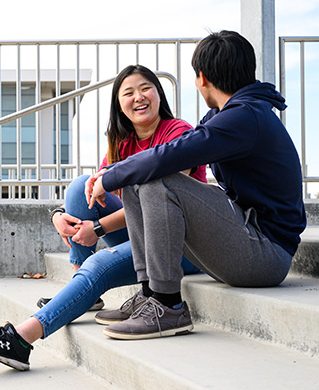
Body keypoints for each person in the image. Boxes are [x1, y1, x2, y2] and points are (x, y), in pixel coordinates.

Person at [0, 64, 206, 371]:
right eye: (128, 92)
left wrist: (99, 228)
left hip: (180, 246)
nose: (138, 97)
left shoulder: (179, 133)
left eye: (145, 88)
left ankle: (22, 340)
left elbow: (162, 204)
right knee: (81, 184)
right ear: (119, 104)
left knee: (100, 263)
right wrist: (58, 216)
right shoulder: (122, 143)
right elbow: (96, 194)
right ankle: (84, 290)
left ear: (159, 94)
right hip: (144, 237)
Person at [86, 30, 306, 341]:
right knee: (142, 179)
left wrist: (108, 177)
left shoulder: (244, 118)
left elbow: (171, 155)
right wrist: (114, 172)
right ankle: (150, 293)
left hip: (266, 256)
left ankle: (167, 305)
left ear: (201, 78)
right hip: (246, 239)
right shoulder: (229, 114)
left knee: (159, 177)